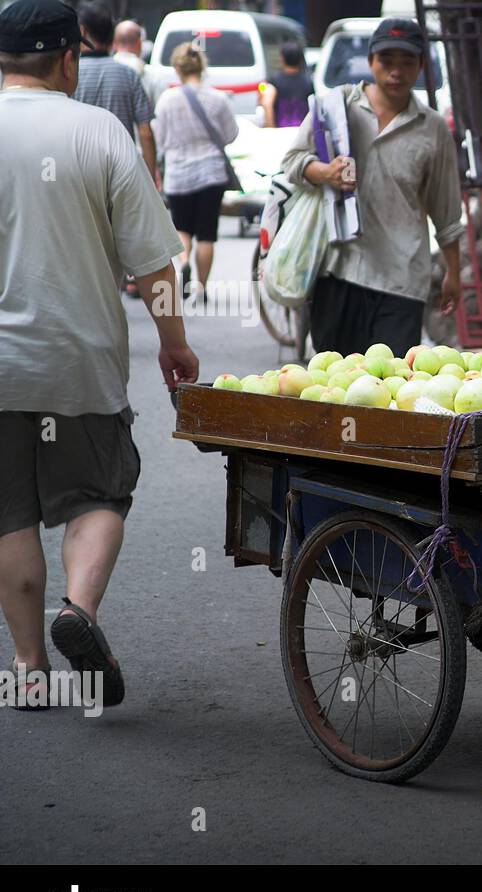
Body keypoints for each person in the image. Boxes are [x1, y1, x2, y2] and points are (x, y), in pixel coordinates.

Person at [0, 0, 197, 710]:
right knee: (101, 493)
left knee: (9, 515)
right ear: (68, 60)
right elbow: (153, 265)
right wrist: (175, 345)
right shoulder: (98, 131)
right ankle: (77, 610)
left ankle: (25, 669)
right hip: (79, 361)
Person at [280, 17, 465, 357]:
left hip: (402, 280)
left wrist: (453, 272)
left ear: (421, 66)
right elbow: (292, 162)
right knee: (334, 387)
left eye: (407, 62)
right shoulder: (337, 107)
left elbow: (446, 209)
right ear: (371, 62)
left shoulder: (433, 128)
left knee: (389, 389)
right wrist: (325, 171)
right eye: (387, 61)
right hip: (338, 270)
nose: (396, 71)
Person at [152, 42, 239, 304]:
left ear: (177, 69)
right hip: (211, 174)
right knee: (207, 233)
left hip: (178, 174)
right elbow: (230, 134)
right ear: (202, 67)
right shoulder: (217, 98)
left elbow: (162, 139)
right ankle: (201, 287)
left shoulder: (167, 100)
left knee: (182, 228)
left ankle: (183, 262)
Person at [73, 3, 157, 186]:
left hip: (82, 172)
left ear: (82, 31)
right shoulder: (128, 75)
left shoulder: (70, 75)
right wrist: (151, 182)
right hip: (123, 172)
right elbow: (146, 132)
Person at [112, 18, 166, 108]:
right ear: (139, 43)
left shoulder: (103, 73)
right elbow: (159, 110)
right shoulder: (153, 76)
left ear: (114, 43)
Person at [259, 41, 312, 129]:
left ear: (282, 58)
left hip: (281, 133)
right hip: (301, 132)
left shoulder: (274, 81)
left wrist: (270, 129)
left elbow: (266, 101)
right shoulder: (308, 82)